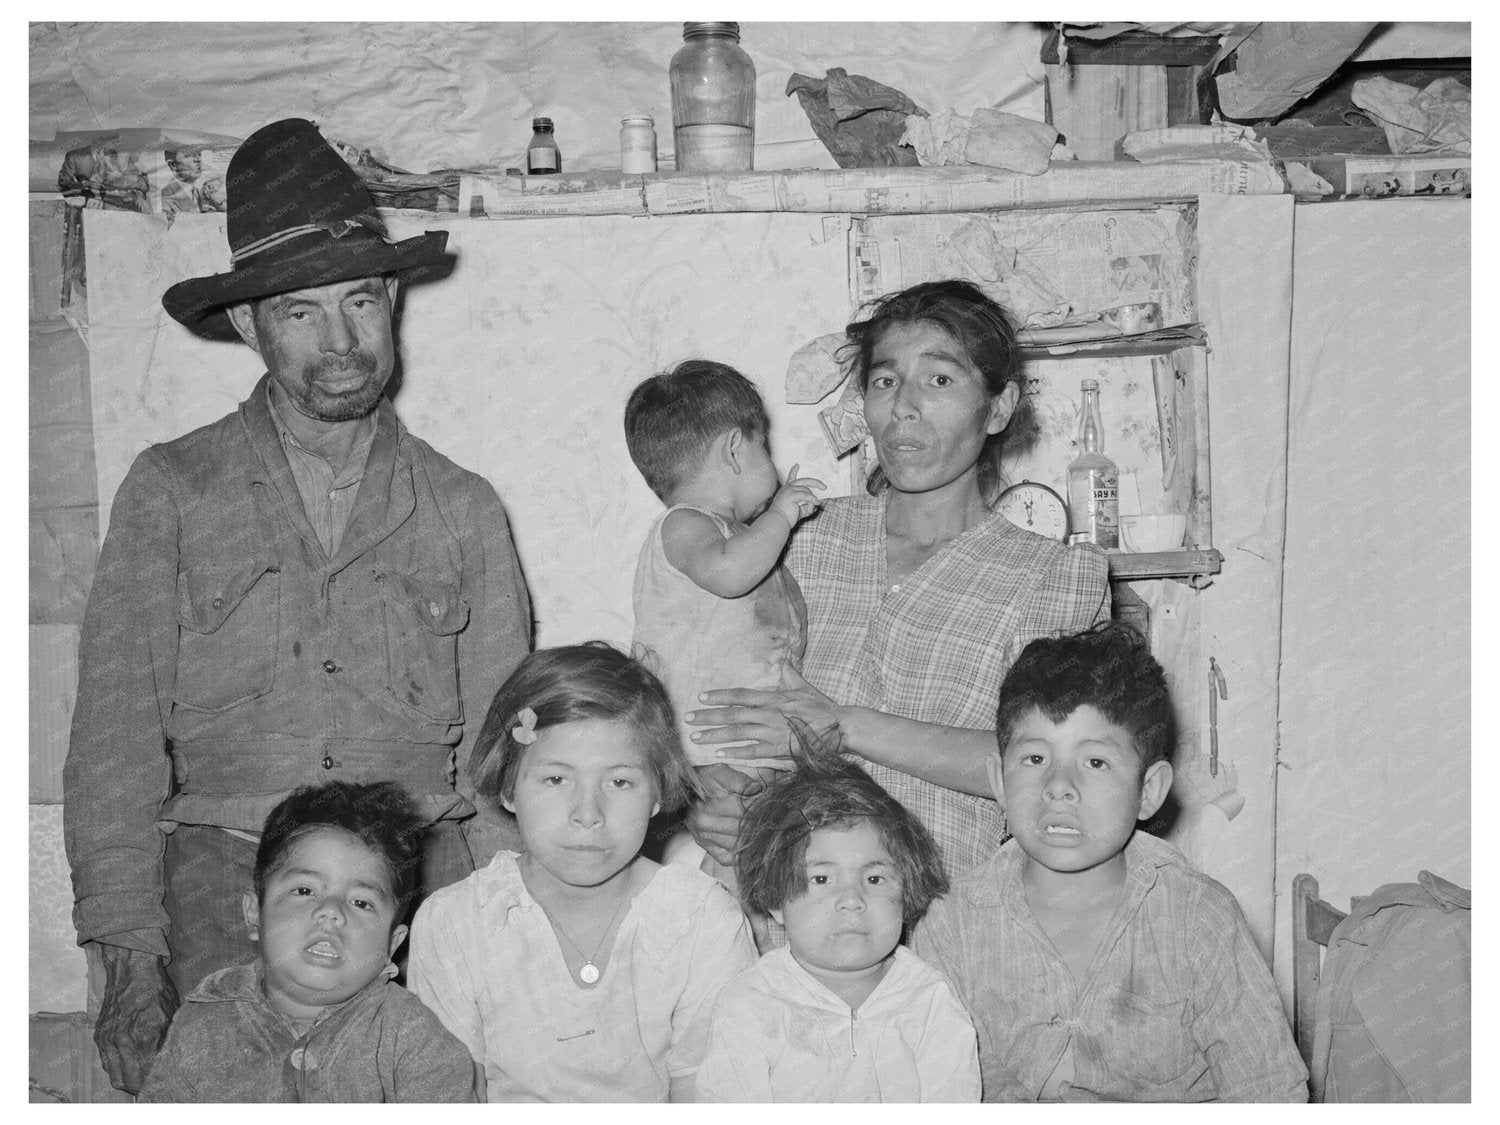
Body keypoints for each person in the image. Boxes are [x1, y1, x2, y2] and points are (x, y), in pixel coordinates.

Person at [62, 117, 532, 1095]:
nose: (341, 342)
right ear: (248, 324)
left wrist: (503, 939)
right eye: (300, 312)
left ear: (394, 299)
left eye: (359, 301)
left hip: (418, 880)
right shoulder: (170, 490)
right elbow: (113, 736)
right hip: (220, 879)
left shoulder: (465, 508)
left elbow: (503, 765)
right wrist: (125, 951)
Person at [686, 279, 1110, 880]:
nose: (903, 406)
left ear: (999, 407)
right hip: (767, 912)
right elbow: (698, 690)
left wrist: (845, 727)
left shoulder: (1054, 579)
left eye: (939, 380)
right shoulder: (790, 538)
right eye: (885, 381)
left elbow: (1049, 766)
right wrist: (709, 794)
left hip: (936, 921)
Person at [912, 622, 1308, 1102]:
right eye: (1034, 759)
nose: (1059, 785)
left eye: (1095, 762)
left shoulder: (1199, 919)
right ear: (998, 780)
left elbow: (1268, 1090)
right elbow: (943, 1081)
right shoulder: (951, 924)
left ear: (1149, 791)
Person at [408, 644, 757, 1102]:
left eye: (619, 782)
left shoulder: (701, 919)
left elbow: (709, 1096)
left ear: (657, 793)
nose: (588, 813)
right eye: (556, 779)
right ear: (510, 787)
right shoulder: (455, 924)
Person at [139, 781, 477, 1102]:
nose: (331, 912)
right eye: (304, 891)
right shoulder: (201, 1025)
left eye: (361, 902)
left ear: (392, 944)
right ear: (254, 914)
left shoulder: (414, 1038)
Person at [624, 359, 824, 889]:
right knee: (740, 870)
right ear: (737, 448)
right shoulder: (686, 525)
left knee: (777, 863)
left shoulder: (736, 536)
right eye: (766, 448)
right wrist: (781, 515)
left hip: (757, 744)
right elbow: (729, 574)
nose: (775, 468)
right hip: (718, 746)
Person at [696, 748, 980, 1102]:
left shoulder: (929, 1001)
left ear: (907, 894)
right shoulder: (750, 1004)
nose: (851, 899)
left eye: (875, 879)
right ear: (774, 898)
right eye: (821, 879)